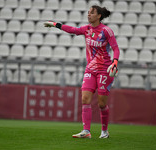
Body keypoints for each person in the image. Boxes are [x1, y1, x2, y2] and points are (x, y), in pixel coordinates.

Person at [44, 5, 120, 139]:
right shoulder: (87, 29)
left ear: (99, 16)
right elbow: (73, 30)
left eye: (92, 13)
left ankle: (104, 131)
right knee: (85, 98)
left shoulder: (107, 31)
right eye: (88, 12)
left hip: (104, 70)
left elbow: (116, 48)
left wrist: (115, 62)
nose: (88, 15)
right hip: (90, 69)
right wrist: (56, 25)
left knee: (102, 103)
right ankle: (86, 131)